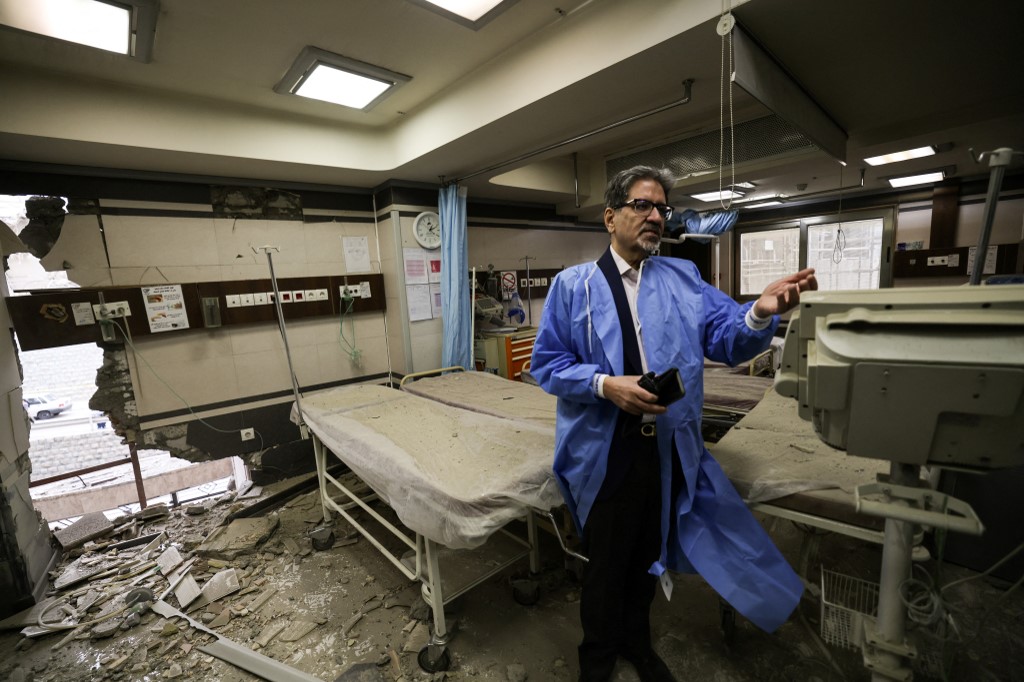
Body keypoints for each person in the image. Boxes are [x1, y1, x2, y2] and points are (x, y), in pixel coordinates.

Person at [530, 165, 817, 682]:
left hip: (664, 447)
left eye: (662, 208)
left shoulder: (684, 279)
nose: (656, 217)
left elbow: (727, 338)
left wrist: (759, 313)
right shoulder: (573, 287)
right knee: (606, 566)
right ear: (610, 216)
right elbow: (547, 364)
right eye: (643, 205)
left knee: (646, 556)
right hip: (604, 450)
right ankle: (595, 661)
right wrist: (606, 385)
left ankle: (638, 646)